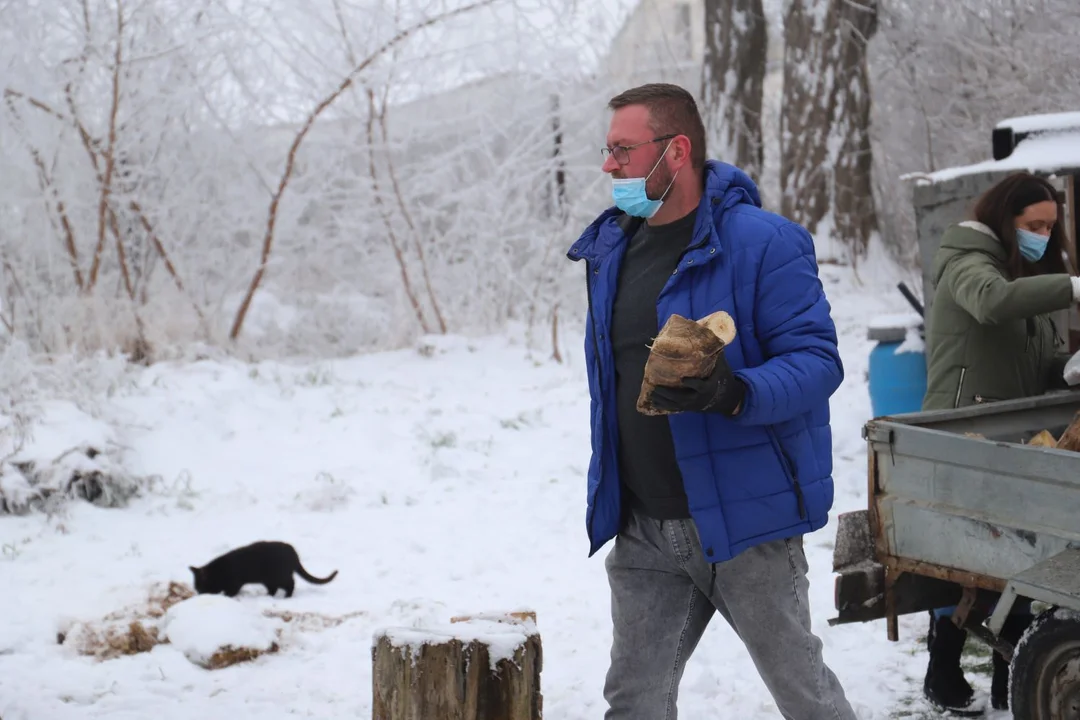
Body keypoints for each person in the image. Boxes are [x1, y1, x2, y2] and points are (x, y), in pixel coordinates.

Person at [566, 82, 856, 719]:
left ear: (676, 152)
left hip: (745, 526)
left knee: (803, 695)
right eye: (607, 150)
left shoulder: (764, 243)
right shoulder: (612, 250)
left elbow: (817, 361)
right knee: (633, 701)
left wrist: (735, 392)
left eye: (622, 149)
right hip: (643, 525)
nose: (608, 166)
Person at [920, 171, 1080, 714]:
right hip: (961, 431)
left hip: (1005, 435)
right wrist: (1074, 285)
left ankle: (997, 678)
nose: (1041, 233)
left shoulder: (1019, 272)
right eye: (1032, 224)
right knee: (972, 559)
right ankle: (948, 674)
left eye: (1049, 226)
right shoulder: (969, 262)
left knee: (1005, 558)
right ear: (1004, 221)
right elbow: (990, 303)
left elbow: (1033, 363)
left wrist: (1070, 368)